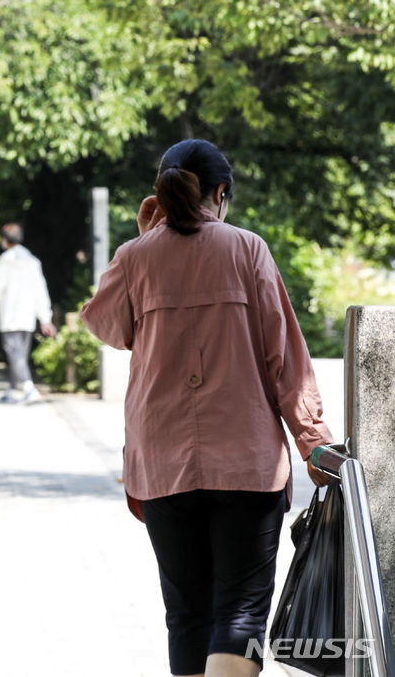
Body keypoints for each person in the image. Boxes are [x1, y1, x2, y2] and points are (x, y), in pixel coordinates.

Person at [79, 139, 334, 677]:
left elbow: (105, 325)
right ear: (221, 193)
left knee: (187, 617)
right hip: (245, 464)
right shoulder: (247, 250)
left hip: (163, 464)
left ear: (163, 193)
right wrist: (313, 442)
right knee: (239, 613)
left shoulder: (137, 257)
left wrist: (146, 238)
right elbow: (284, 357)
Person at [0, 223, 56, 403]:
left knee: (14, 354)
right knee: (19, 355)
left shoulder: (5, 261)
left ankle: (27, 387)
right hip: (28, 316)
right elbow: (40, 291)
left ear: (4, 240)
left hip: (10, 316)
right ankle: (13, 389)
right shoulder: (33, 262)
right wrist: (45, 318)